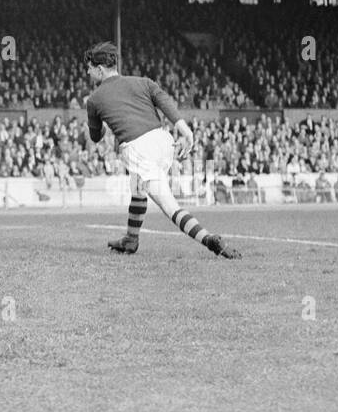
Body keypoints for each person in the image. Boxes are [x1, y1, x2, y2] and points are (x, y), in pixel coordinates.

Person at [83, 42, 240, 259]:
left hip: (138, 148)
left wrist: (99, 120)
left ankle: (209, 239)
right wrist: (186, 131)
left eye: (89, 68)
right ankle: (131, 239)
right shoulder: (142, 82)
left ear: (100, 69)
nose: (88, 72)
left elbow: (95, 137)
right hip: (162, 140)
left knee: (168, 205)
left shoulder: (94, 99)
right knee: (137, 188)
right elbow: (165, 102)